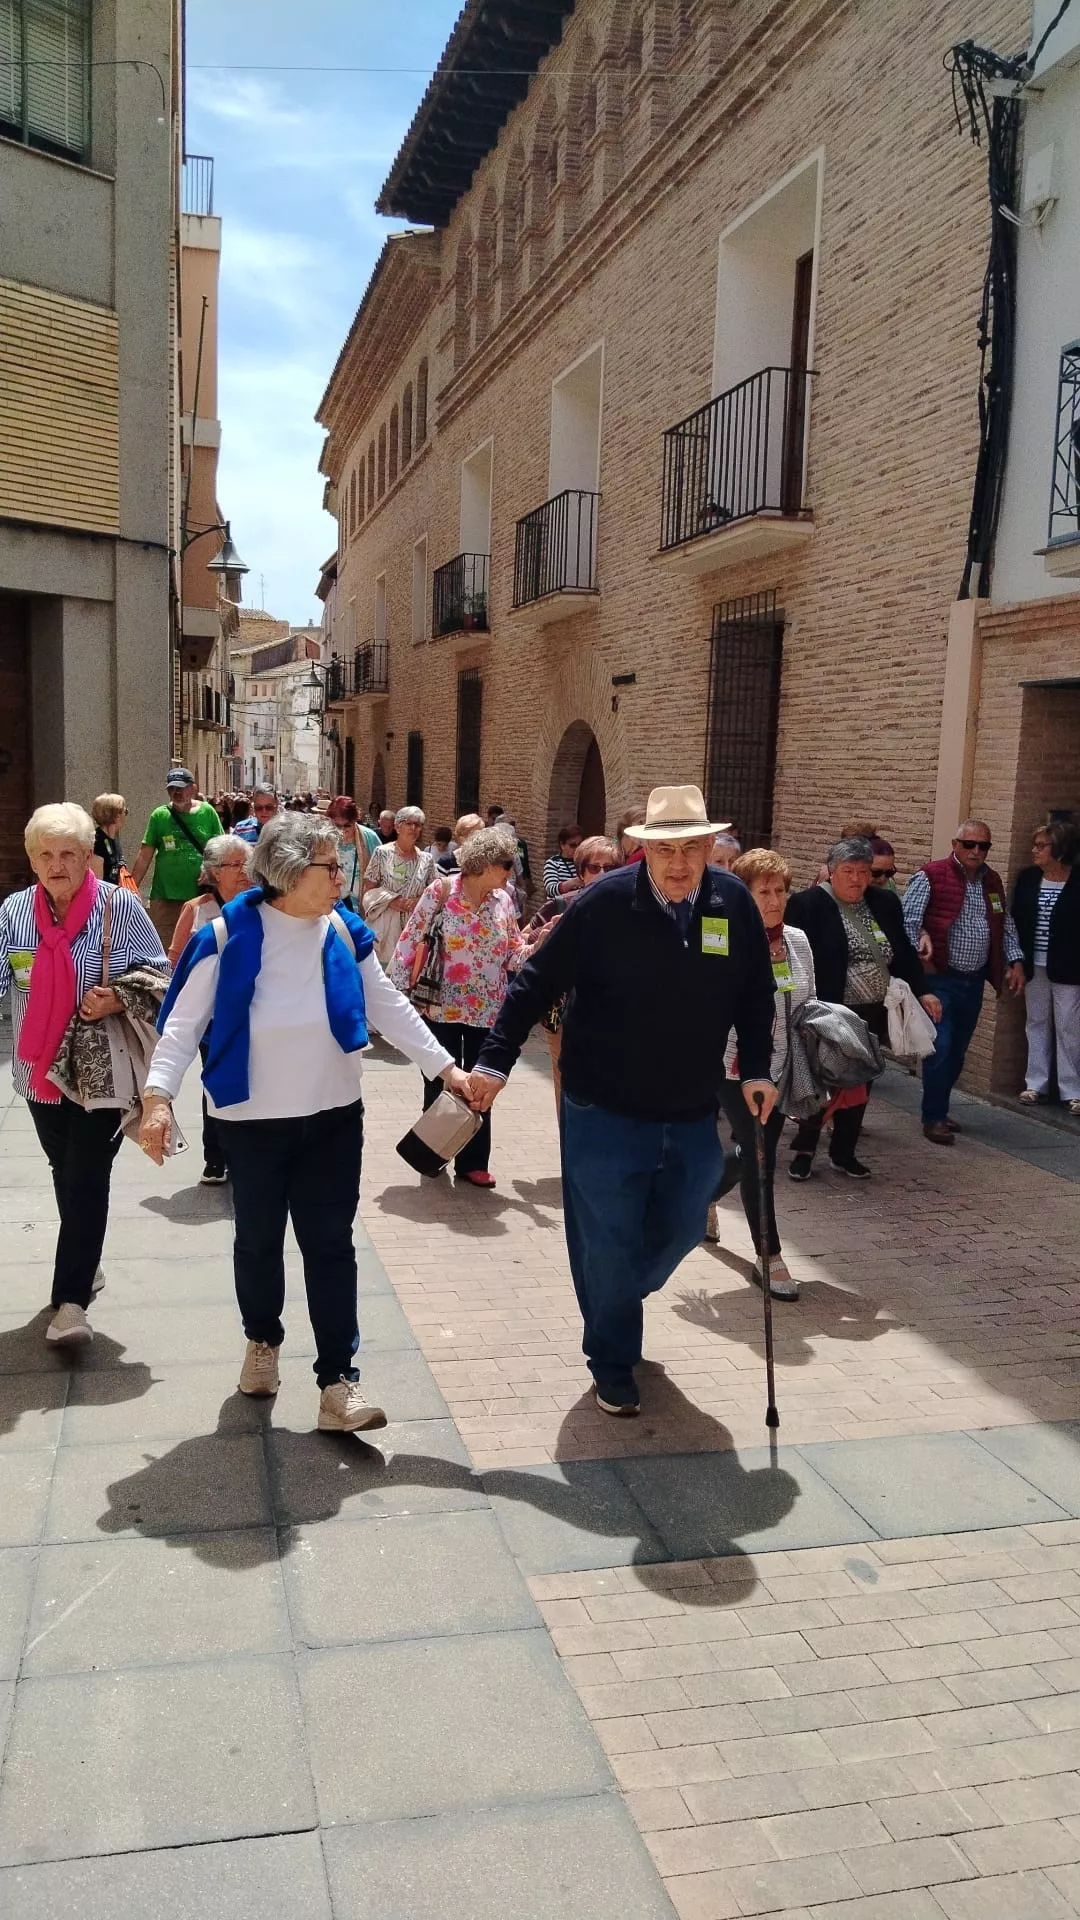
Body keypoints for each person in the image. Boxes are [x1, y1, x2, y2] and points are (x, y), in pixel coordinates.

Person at [140, 813, 475, 1430]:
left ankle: (336, 1382)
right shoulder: (225, 936)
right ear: (292, 872)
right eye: (329, 864)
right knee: (259, 1243)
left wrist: (446, 1068)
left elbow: (387, 1004)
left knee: (330, 1247)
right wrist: (158, 1098)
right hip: (252, 1123)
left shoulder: (343, 932)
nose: (340, 874)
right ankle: (263, 1342)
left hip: (332, 1120)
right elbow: (183, 1027)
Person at [469, 785, 777, 1418]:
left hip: (691, 1106)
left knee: (689, 1220)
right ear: (644, 848)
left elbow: (754, 992)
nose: (680, 863)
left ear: (710, 848)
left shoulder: (732, 904)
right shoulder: (603, 905)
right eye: (667, 849)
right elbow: (534, 981)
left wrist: (759, 1068)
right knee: (606, 1239)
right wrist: (495, 1060)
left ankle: (615, 1294)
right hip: (602, 1106)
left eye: (693, 848)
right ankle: (612, 1359)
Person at [0, 803, 167, 1346]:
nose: (57, 864)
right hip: (36, 1070)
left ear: (88, 856)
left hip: (99, 1071)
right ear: (31, 860)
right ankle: (85, 1258)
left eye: (68, 853)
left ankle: (70, 1303)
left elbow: (158, 974)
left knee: (86, 1173)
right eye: (45, 854)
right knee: (62, 1167)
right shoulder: (14, 912)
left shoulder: (118, 907)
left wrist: (117, 996)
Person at [786, 836, 940, 1178]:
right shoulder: (807, 905)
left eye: (863, 871)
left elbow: (902, 950)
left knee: (860, 1083)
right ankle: (805, 1151)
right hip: (829, 1012)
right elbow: (794, 956)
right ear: (830, 872)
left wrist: (924, 991)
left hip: (872, 1012)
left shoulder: (884, 903)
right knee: (824, 1081)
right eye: (848, 871)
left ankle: (844, 1151)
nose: (857, 879)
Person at [390, 824, 524, 1186]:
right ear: (485, 864)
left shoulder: (504, 901)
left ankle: (472, 1163)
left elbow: (513, 954)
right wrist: (400, 999)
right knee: (441, 1083)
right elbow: (411, 938)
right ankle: (432, 1152)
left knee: (481, 1085)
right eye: (507, 863)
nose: (512, 870)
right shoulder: (442, 891)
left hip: (487, 1011)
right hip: (439, 1006)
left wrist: (540, 944)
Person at [708, 848, 815, 1300]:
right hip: (736, 1066)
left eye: (780, 891)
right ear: (743, 894)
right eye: (763, 891)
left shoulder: (797, 940)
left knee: (753, 1148)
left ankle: (704, 1197)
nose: (773, 899)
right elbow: (710, 1001)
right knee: (760, 1153)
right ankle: (768, 1255)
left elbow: (808, 1000)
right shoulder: (720, 933)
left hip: (783, 1067)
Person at [902, 820, 1025, 1144]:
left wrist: (1015, 961)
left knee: (957, 1051)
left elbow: (1005, 926)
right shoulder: (931, 875)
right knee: (941, 1047)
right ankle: (933, 1117)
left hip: (973, 982)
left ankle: (939, 1107)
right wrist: (922, 936)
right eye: (970, 844)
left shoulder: (992, 881)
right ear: (955, 844)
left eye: (983, 846)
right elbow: (908, 920)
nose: (976, 851)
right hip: (940, 978)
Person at [167, 834, 255, 1185]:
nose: (244, 872)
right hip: (212, 1021)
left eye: (247, 864)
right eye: (235, 865)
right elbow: (174, 962)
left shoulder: (262, 907)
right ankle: (215, 1156)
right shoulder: (197, 909)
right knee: (216, 1084)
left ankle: (245, 1153)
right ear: (215, 872)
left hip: (255, 1015)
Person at [519, 834, 620, 1108]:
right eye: (594, 867)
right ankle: (570, 1144)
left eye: (609, 868)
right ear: (581, 872)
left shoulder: (629, 907)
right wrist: (546, 936)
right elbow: (523, 946)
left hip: (616, 1014)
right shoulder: (560, 905)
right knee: (566, 1086)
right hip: (564, 1013)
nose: (601, 874)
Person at [1010, 820, 1080, 1115]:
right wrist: (1015, 961)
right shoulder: (1028, 878)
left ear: (1060, 849)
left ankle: (1072, 1090)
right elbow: (1014, 920)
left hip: (1069, 966)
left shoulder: (1077, 881)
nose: (1034, 851)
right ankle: (1035, 1083)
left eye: (1041, 846)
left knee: (1069, 1025)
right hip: (1032, 964)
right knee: (1036, 1021)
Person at [130, 769, 222, 947]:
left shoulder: (208, 812)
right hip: (164, 897)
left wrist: (210, 869)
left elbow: (220, 847)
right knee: (165, 947)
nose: (176, 793)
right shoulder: (159, 816)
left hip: (199, 895)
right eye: (172, 789)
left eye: (181, 788)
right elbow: (144, 855)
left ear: (193, 788)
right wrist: (131, 888)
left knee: (198, 945)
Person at [361, 806, 435, 966]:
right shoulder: (382, 853)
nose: (414, 828)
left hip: (414, 929)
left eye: (418, 825)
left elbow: (434, 895)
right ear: (398, 826)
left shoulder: (427, 860)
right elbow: (368, 890)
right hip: (386, 929)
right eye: (409, 823)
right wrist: (390, 900)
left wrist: (417, 901)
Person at [327, 796, 379, 911]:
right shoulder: (324, 839)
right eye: (337, 826)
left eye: (347, 825)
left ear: (355, 820)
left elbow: (382, 872)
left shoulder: (369, 838)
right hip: (329, 906)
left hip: (361, 908)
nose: (342, 830)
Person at [90, 794, 128, 883]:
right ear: (116, 815)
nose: (125, 815)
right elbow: (97, 882)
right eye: (125, 811)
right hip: (105, 895)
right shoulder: (97, 841)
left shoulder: (114, 839)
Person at [544, 824, 583, 898]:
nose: (578, 848)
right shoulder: (553, 863)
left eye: (580, 844)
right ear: (562, 845)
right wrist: (573, 883)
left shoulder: (584, 861)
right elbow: (550, 890)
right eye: (573, 845)